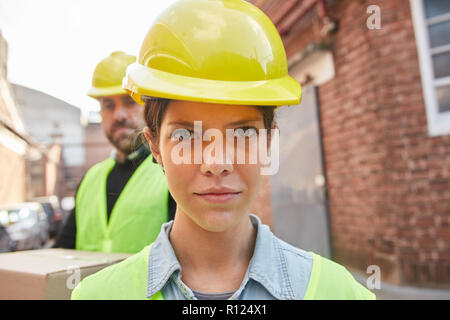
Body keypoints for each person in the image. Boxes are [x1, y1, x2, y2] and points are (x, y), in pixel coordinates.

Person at [71, 0, 376, 299]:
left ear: (268, 143)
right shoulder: (98, 295)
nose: (216, 162)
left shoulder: (337, 293)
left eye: (243, 133)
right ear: (155, 147)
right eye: (186, 135)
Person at [54, 51, 176, 253]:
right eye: (108, 105)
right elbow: (62, 251)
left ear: (149, 106)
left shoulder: (172, 173)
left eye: (129, 102)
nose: (119, 115)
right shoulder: (90, 179)